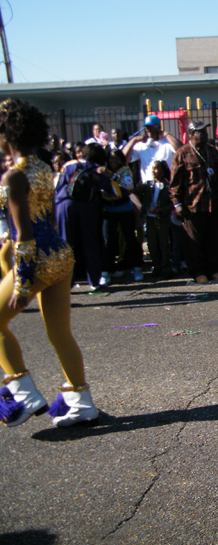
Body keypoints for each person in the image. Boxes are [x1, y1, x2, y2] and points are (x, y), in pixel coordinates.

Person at [0, 98, 99, 427]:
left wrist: (23, 281)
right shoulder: (42, 167)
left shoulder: (14, 176)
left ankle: (22, 393)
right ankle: (80, 402)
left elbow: (25, 234)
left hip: (37, 261)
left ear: (6, 136)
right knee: (59, 333)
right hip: (61, 256)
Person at [170, 121, 218, 283]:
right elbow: (175, 184)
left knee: (214, 240)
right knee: (194, 242)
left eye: (205, 131)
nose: (204, 134)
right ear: (191, 134)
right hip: (193, 206)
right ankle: (197, 271)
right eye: (200, 132)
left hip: (214, 205)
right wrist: (177, 204)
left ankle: (214, 269)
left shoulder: (213, 152)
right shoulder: (181, 154)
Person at [55, 144, 116, 291]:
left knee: (65, 244)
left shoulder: (69, 166)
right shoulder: (97, 169)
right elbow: (111, 189)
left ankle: (65, 283)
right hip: (87, 206)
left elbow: (58, 186)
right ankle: (94, 281)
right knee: (90, 242)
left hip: (64, 204)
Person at [99, 149, 143, 285]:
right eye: (111, 159)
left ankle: (137, 268)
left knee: (130, 237)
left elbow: (127, 186)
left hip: (124, 207)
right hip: (108, 208)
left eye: (116, 159)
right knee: (108, 241)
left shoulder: (125, 170)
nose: (113, 161)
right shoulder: (102, 170)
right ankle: (107, 272)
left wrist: (111, 176)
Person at [135, 160, 173, 280]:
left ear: (162, 171)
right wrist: (145, 208)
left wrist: (162, 210)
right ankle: (156, 266)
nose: (154, 171)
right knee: (152, 244)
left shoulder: (168, 186)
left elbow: (173, 203)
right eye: (152, 168)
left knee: (164, 244)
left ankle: (165, 267)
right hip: (151, 219)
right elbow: (135, 193)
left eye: (157, 168)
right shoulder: (147, 185)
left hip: (163, 219)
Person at [122, 115, 181, 183]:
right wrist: (133, 140)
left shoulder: (167, 142)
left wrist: (167, 135)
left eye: (152, 127)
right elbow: (123, 158)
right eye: (147, 128)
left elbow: (182, 150)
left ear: (159, 128)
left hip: (166, 185)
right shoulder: (141, 145)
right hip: (148, 187)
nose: (149, 130)